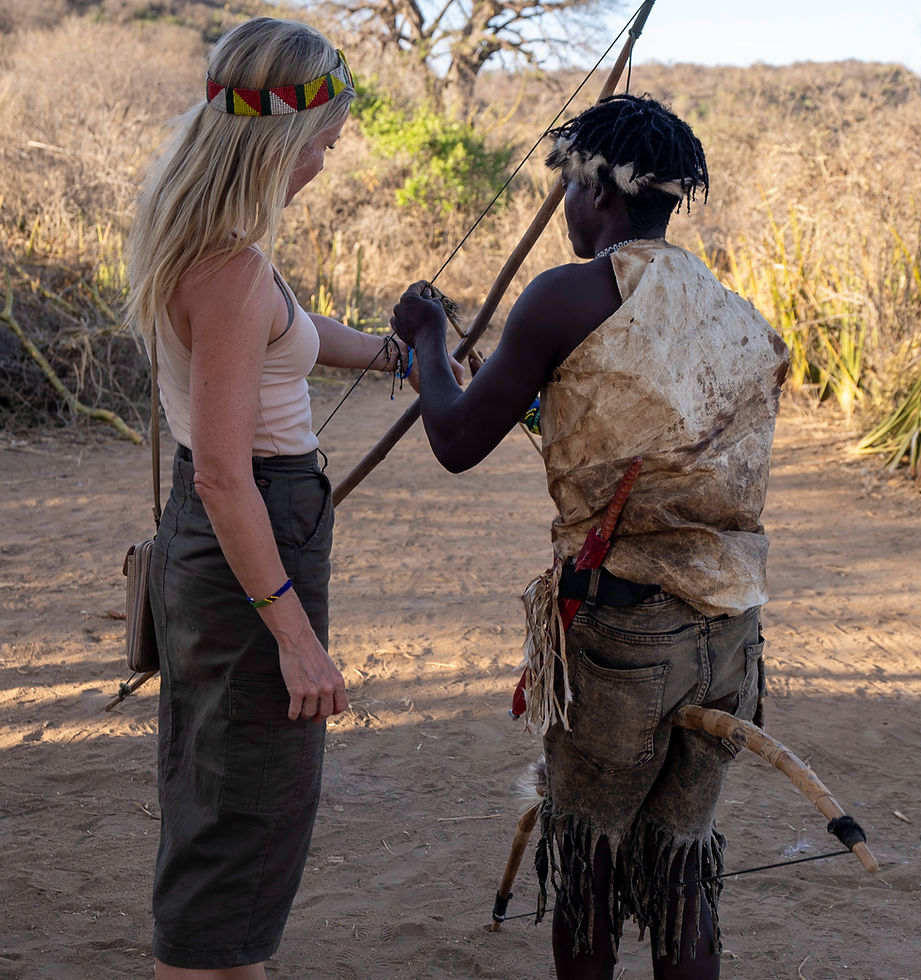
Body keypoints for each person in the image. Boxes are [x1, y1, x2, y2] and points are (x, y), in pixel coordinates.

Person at [390, 94, 789, 979]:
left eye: (570, 184)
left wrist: (423, 339)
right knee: (684, 865)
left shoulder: (567, 294)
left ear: (600, 192)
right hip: (731, 632)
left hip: (625, 632)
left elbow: (455, 440)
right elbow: (618, 433)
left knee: (590, 866)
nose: (565, 205)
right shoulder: (736, 316)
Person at [124, 17, 458, 978]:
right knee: (242, 824)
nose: (327, 156)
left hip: (232, 538)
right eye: (322, 140)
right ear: (278, 138)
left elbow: (296, 333)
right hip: (247, 542)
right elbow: (228, 474)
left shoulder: (203, 239)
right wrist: (298, 641)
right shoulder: (228, 269)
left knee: (229, 813)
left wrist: (403, 354)